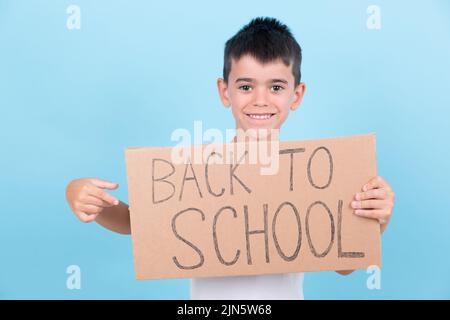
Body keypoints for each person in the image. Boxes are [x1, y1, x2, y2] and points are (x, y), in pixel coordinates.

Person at [65, 17, 395, 299]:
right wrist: (84, 195)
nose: (261, 100)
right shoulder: (196, 172)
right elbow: (135, 223)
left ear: (297, 95)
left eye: (277, 87)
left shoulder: (315, 176)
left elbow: (343, 264)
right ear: (226, 92)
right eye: (246, 87)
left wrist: (375, 220)